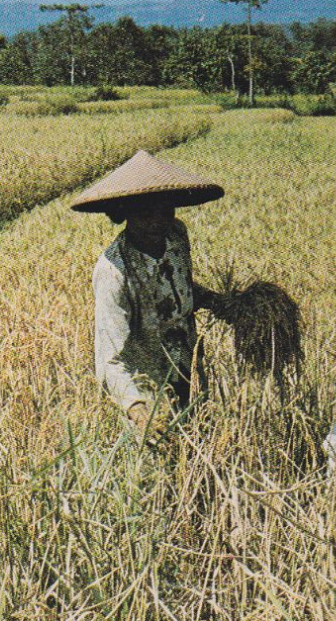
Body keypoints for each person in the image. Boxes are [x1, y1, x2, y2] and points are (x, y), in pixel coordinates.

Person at [70, 149, 225, 436]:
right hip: (146, 388)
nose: (158, 222)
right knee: (157, 465)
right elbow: (110, 359)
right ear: (124, 214)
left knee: (198, 446)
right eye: (145, 213)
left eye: (165, 211)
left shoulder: (176, 236)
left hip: (188, 369)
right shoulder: (114, 272)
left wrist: (220, 302)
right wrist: (138, 410)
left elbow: (178, 289)